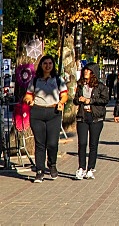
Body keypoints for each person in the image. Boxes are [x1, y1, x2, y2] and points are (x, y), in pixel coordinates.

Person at [23, 54, 68, 182]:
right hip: (37, 112)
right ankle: (39, 171)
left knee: (52, 143)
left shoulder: (58, 79)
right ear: (41, 65)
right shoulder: (35, 80)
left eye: (50, 63)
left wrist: (61, 102)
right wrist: (29, 101)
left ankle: (52, 164)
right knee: (40, 143)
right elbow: (28, 95)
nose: (47, 66)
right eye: (45, 63)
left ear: (53, 65)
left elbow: (64, 95)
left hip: (53, 112)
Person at [73, 64, 110, 180]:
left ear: (93, 73)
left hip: (95, 117)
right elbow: (75, 100)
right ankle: (81, 168)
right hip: (82, 117)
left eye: (88, 71)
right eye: (85, 70)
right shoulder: (80, 86)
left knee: (93, 144)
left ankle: (90, 168)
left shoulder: (100, 86)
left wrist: (90, 100)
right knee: (82, 143)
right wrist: (78, 100)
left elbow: (105, 100)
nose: (86, 72)